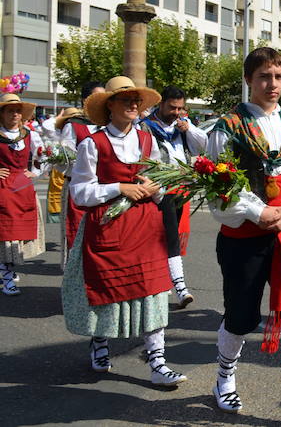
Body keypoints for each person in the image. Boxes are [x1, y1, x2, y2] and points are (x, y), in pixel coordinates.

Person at [206, 47, 281, 427]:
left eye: (277, 77)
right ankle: (224, 378)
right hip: (243, 235)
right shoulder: (226, 128)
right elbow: (218, 188)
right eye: (263, 77)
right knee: (240, 317)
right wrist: (259, 211)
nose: (271, 84)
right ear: (248, 81)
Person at [62, 76, 186, 387]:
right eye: (126, 99)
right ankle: (100, 343)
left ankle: (157, 361)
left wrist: (155, 188)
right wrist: (119, 187)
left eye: (137, 100)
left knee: (154, 291)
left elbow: (157, 181)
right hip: (109, 227)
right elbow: (80, 193)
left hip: (145, 228)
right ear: (110, 106)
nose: (133, 104)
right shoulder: (93, 144)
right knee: (107, 291)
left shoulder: (147, 140)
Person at [139, 85, 208, 308]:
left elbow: (201, 146)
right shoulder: (146, 128)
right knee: (166, 238)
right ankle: (179, 286)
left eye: (180, 108)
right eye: (172, 107)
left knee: (173, 237)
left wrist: (189, 129)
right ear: (161, 104)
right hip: (159, 191)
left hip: (181, 190)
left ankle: (162, 281)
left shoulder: (182, 128)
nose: (176, 112)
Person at [0, 93, 45, 296]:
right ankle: (7, 276)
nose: (15, 115)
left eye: (18, 111)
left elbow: (43, 157)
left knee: (16, 236)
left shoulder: (30, 135)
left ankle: (6, 271)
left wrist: (34, 172)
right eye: (10, 111)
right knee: (4, 235)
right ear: (2, 114)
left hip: (21, 188)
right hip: (2, 188)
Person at [57, 82, 105, 268]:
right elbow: (63, 160)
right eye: (97, 97)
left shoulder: (109, 125)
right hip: (79, 190)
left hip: (103, 191)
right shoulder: (74, 125)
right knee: (77, 235)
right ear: (86, 100)